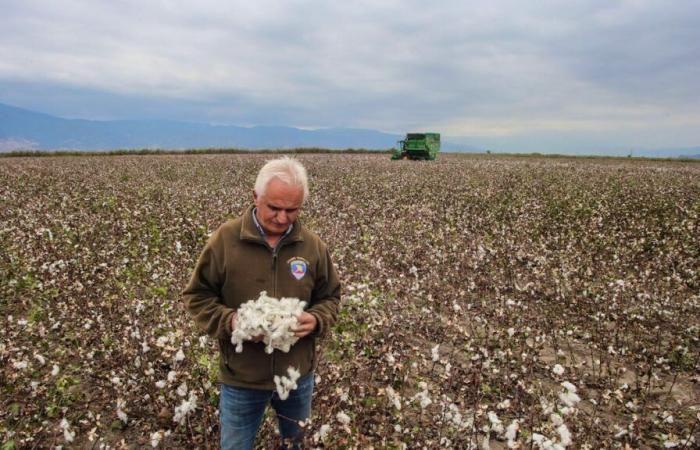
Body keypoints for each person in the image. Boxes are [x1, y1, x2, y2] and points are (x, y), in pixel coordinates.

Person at [182, 157, 341, 449]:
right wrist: (233, 323)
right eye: (274, 208)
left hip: (297, 377)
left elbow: (331, 296)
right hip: (242, 378)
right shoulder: (225, 240)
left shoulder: (312, 246)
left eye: (292, 210)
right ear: (255, 197)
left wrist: (317, 319)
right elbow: (197, 296)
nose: (282, 218)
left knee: (295, 443)